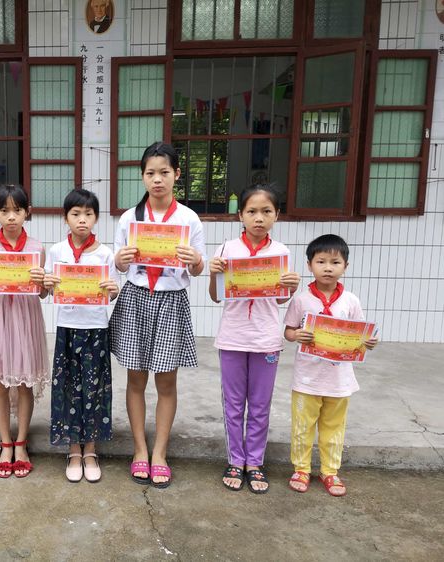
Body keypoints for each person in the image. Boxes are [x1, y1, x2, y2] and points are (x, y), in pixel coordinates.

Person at [111, 141, 206, 488]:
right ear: (142, 177)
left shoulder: (188, 218)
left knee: (166, 382)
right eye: (150, 173)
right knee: (136, 380)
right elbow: (118, 266)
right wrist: (120, 260)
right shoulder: (129, 218)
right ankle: (140, 449)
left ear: (176, 174)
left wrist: (196, 261)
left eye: (164, 172)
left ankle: (160, 453)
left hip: (171, 301)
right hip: (136, 298)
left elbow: (198, 269)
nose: (157, 179)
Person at [208, 185, 301, 494]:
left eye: (266, 211)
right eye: (252, 211)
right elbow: (216, 297)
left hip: (266, 340)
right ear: (240, 215)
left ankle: (255, 462)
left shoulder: (281, 252)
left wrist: (292, 286)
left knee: (260, 405)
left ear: (277, 215)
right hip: (232, 338)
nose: (258, 218)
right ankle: (236, 460)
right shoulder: (227, 249)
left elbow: (280, 300)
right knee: (233, 405)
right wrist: (213, 273)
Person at [284, 234, 378, 497]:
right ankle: (301, 469)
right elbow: (288, 331)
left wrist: (368, 342)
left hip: (339, 381)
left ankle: (329, 471)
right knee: (302, 427)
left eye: (335, 262)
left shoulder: (351, 301)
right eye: (321, 261)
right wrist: (296, 335)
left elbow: (361, 333)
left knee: (334, 428)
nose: (327, 268)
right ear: (309, 265)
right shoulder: (301, 300)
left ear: (345, 266)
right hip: (307, 379)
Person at [43, 189, 120, 483]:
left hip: (96, 329)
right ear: (66, 218)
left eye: (88, 214)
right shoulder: (56, 252)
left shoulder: (105, 254)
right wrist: (48, 282)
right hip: (67, 327)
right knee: (68, 388)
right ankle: (73, 449)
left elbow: (112, 293)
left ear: (96, 218)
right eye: (75, 214)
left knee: (94, 388)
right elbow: (47, 289)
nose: (82, 220)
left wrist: (112, 289)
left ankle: (91, 449)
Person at [0, 184, 49, 478]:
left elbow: (42, 293)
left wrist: (42, 282)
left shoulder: (37, 248)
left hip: (26, 317)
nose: (11, 217)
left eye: (17, 210)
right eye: (4, 211)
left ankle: (21, 443)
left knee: (25, 382)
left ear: (27, 212)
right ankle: (6, 443)